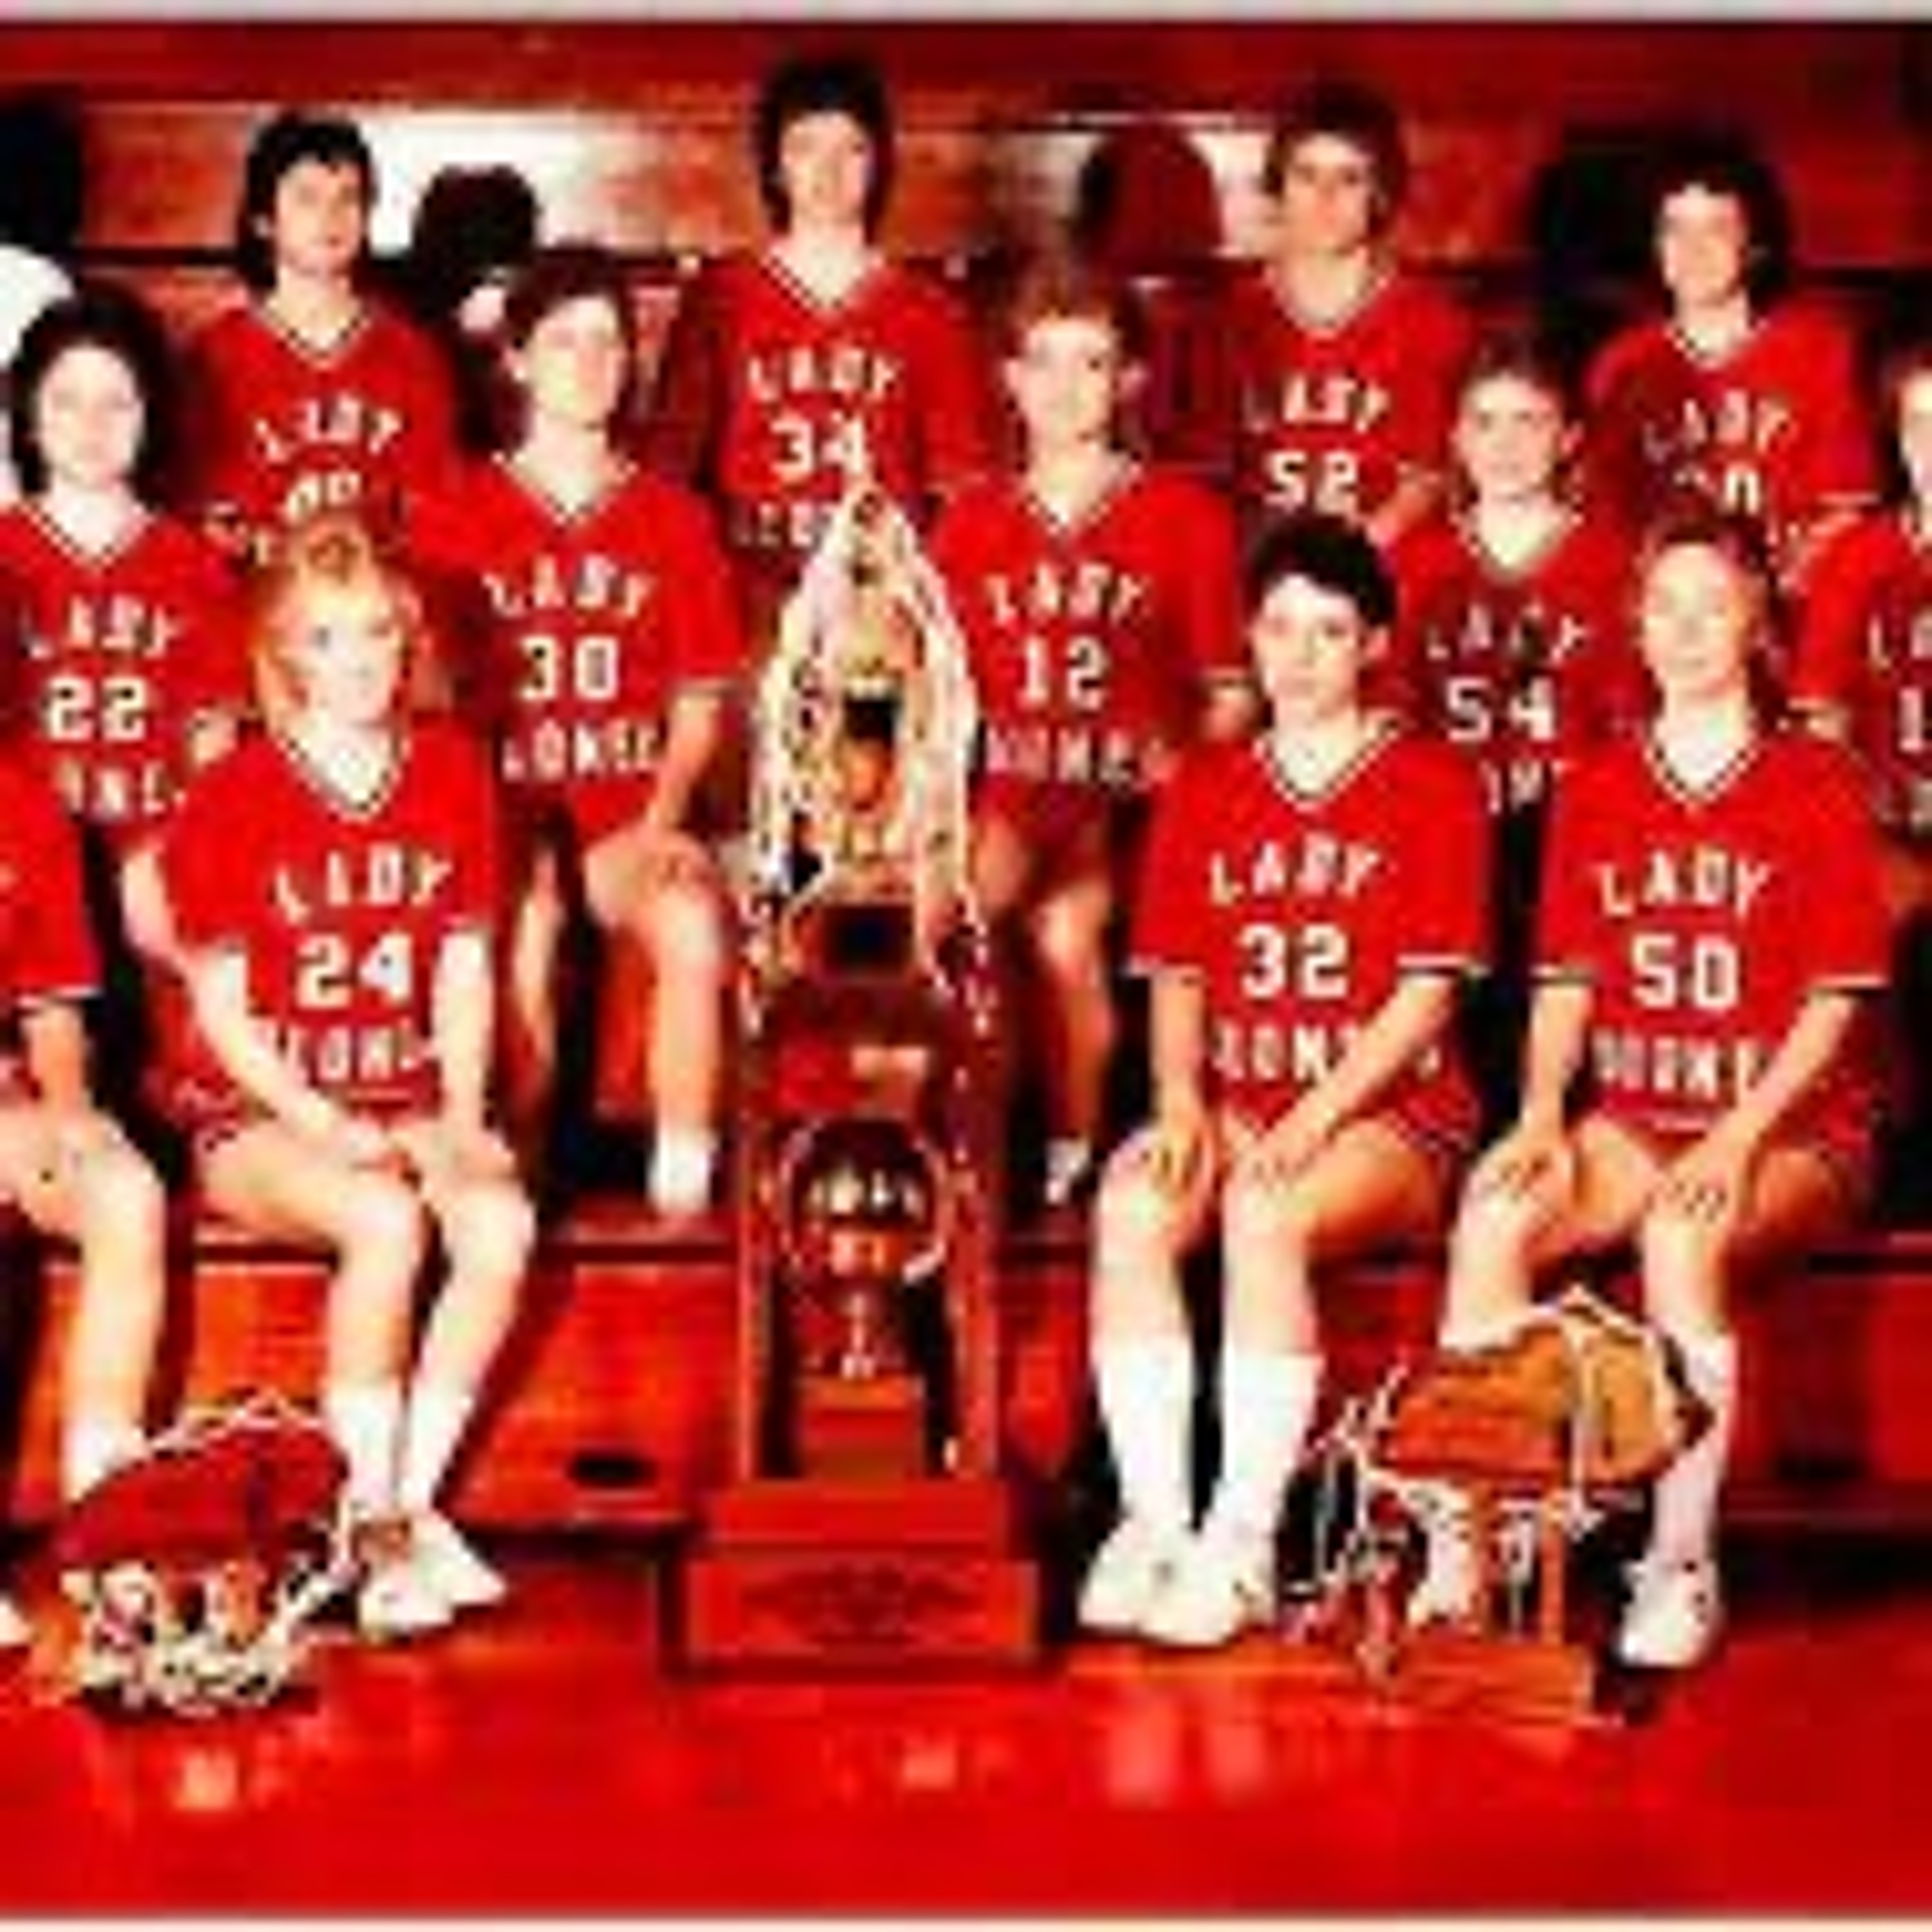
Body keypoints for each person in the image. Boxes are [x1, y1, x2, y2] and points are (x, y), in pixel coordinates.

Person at [1420, 509, 1887, 1669]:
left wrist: (1735, 1142)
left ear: (1758, 625)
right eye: (1665, 606)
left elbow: (1835, 1007)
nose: (1686, 630)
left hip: (1794, 1129)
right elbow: (1567, 983)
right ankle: (1482, 1531)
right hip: (1635, 1116)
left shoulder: (1818, 785)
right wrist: (1541, 1114)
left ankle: (1679, 1566)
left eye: (1712, 607)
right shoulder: (1598, 785)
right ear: (1636, 623)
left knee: (1682, 1237)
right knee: (1496, 1208)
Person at [1080, 511, 1488, 1649]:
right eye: (1278, 630)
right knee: (1132, 1204)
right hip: (1238, 1100)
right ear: (1249, 639)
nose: (1300, 658)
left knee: (1263, 1211)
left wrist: (1310, 1121)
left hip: (1390, 1117)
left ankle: (1242, 1543)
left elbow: (1427, 1000)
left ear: (1374, 644)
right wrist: (1177, 1099)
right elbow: (1176, 976)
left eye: (1329, 632)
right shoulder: (1207, 785)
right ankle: (1155, 1524)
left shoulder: (1432, 785)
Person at [157, 511, 533, 1641]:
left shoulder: (455, 771)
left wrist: (462, 1116)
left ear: (408, 639)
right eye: (326, 638)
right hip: (260, 1111)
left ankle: (401, 1506)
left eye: (376, 631)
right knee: (385, 1220)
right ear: (283, 656)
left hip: (404, 1093)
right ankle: (361, 1524)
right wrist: (319, 1120)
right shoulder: (231, 793)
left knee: (500, 1223)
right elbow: (224, 1016)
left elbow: (464, 970)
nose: (358, 660)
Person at [412, 245, 744, 1217]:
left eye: (609, 342)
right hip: (502, 810)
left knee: (691, 921)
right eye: (564, 342)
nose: (591, 364)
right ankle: (516, 1171)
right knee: (526, 928)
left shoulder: (674, 519)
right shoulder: (457, 510)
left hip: (622, 814)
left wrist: (664, 817)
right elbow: (426, 699)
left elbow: (698, 704)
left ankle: (683, 1191)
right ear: (517, 360)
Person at [931, 259, 1253, 1211]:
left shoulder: (1184, 516)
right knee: (947, 908)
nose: (1066, 388)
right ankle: (945, 1143)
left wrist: (1185, 764)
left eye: (1093, 363)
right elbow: (935, 695)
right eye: (1045, 362)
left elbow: (1232, 692)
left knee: (1070, 937)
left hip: (1124, 803)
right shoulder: (970, 521)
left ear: (1130, 381)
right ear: (1011, 379)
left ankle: (1070, 1152)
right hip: (1006, 788)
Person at [646, 52, 994, 646]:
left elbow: (962, 496)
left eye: (851, 150)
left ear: (879, 164)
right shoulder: (720, 297)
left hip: (880, 616)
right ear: (776, 166)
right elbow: (670, 478)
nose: (828, 173)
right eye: (805, 148)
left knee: (870, 708)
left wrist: (915, 617)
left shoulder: (929, 312)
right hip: (747, 604)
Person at [1388, 332, 1640, 1121]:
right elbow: (1390, 721)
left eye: (1529, 422)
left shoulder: (1615, 562)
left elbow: (1633, 731)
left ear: (1569, 439)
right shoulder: (1414, 563)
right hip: (1447, 824)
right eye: (1485, 422)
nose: (1505, 444)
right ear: (1456, 439)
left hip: (1573, 832)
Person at [0, 290, 245, 1013]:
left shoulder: (194, 565)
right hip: (24, 866)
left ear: (150, 416)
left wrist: (183, 860)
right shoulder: (5, 552)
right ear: (29, 414)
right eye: (67, 401)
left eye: (117, 404)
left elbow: (213, 753)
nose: (92, 427)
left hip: (150, 859)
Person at [0, 751, 171, 1647]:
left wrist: (72, 1114)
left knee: (127, 1194)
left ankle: (106, 1531)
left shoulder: (22, 802)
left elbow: (51, 1008)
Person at [1586, 129, 1874, 594]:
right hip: (1670, 616)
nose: (1693, 250)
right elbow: (1608, 522)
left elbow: (1847, 515)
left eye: (1716, 228)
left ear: (1755, 245)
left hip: (1787, 608)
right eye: (1674, 229)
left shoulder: (1820, 352)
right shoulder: (1621, 363)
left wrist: (1766, 593)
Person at [1202, 77, 1472, 550]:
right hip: (1255, 569)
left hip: (1379, 567)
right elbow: (1204, 484)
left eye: (1349, 178)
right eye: (1306, 175)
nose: (1324, 197)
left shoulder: (1432, 323)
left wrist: (1354, 556)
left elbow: (1429, 480)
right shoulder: (1224, 320)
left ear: (1380, 192)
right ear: (1278, 186)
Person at [182, 111, 460, 565]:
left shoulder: (413, 354)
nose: (331, 217)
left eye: (348, 198)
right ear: (263, 220)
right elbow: (201, 523)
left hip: (376, 600)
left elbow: (437, 520)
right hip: (259, 600)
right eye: (307, 198)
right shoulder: (213, 358)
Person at [1791, 338, 1932, 1208]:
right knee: (1863, 906)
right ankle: (1892, 1147)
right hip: (1892, 828)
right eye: (1921, 427)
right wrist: (1874, 828)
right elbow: (1822, 721)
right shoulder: (1861, 556)